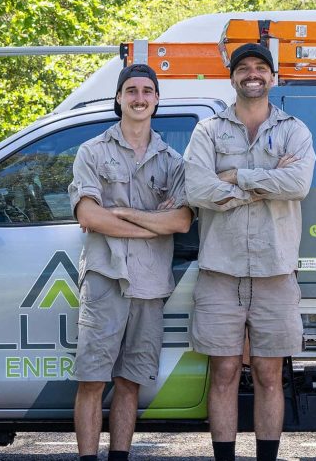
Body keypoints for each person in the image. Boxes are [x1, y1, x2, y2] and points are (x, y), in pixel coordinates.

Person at [184, 43, 315, 461]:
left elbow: (298, 185)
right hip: (220, 272)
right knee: (222, 373)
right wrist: (263, 185)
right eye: (244, 68)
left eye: (261, 67)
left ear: (272, 78)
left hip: (276, 272)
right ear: (233, 77)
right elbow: (198, 189)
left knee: (268, 373)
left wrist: (237, 176)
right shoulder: (208, 131)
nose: (252, 74)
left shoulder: (295, 129)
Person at [67, 64, 193, 461]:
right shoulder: (92, 151)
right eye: (131, 90)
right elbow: (89, 216)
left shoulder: (172, 161)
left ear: (156, 100)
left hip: (151, 283)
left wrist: (121, 214)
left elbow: (182, 220)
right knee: (91, 379)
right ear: (119, 98)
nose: (139, 98)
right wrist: (154, 224)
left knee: (130, 381)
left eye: (147, 91)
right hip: (106, 277)